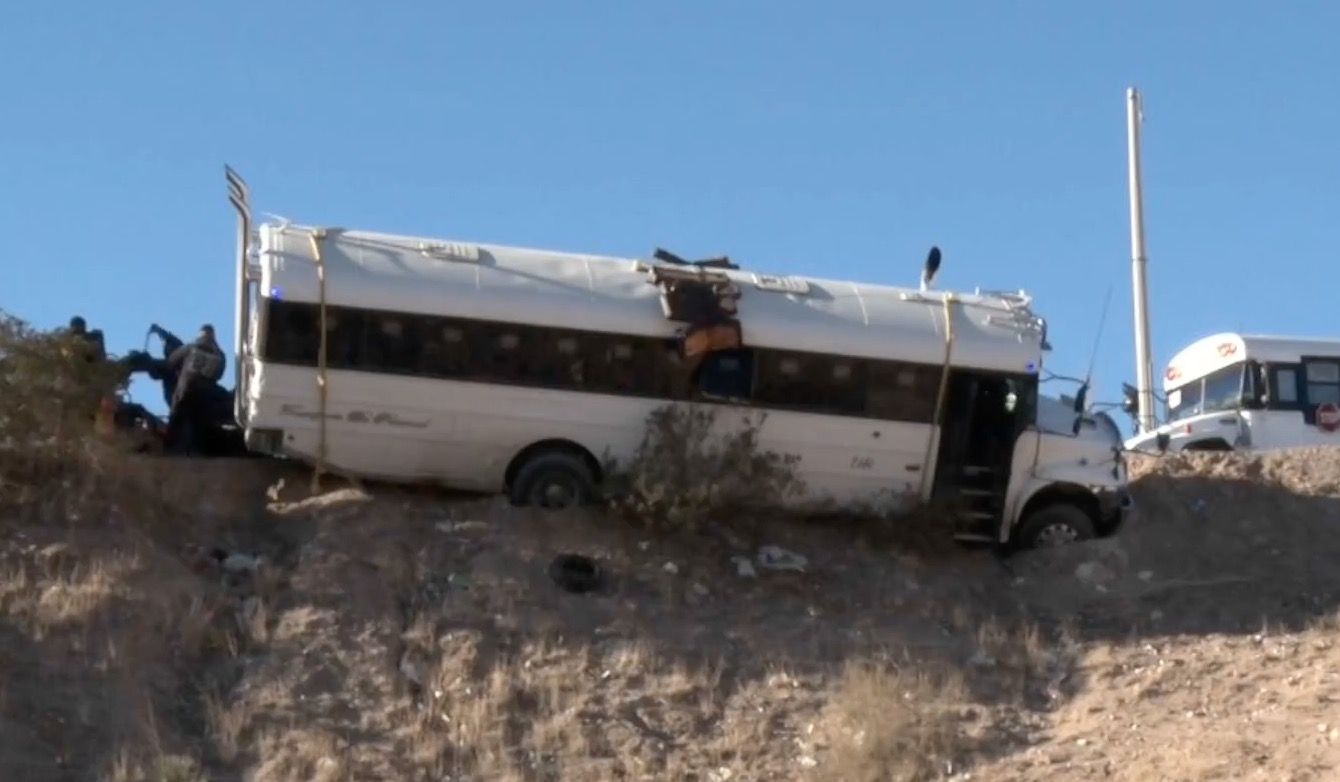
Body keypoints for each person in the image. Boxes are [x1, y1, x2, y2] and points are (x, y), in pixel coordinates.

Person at [163, 324, 226, 454]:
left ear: (200, 334)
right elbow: (219, 375)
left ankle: (169, 448)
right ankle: (198, 452)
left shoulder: (191, 347)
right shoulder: (220, 355)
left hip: (186, 389)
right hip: (206, 394)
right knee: (199, 423)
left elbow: (171, 360)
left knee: (176, 417)